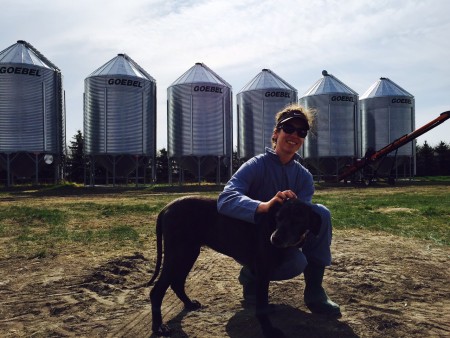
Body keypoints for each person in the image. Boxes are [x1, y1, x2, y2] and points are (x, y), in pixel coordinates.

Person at [217, 103, 340, 317]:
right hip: (252, 241)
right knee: (292, 262)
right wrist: (263, 206)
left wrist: (299, 234)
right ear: (276, 133)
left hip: (282, 239)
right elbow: (225, 199)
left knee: (320, 215)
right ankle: (251, 276)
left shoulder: (303, 177)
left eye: (301, 132)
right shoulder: (256, 165)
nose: (294, 135)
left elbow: (303, 218)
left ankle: (314, 290)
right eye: (289, 129)